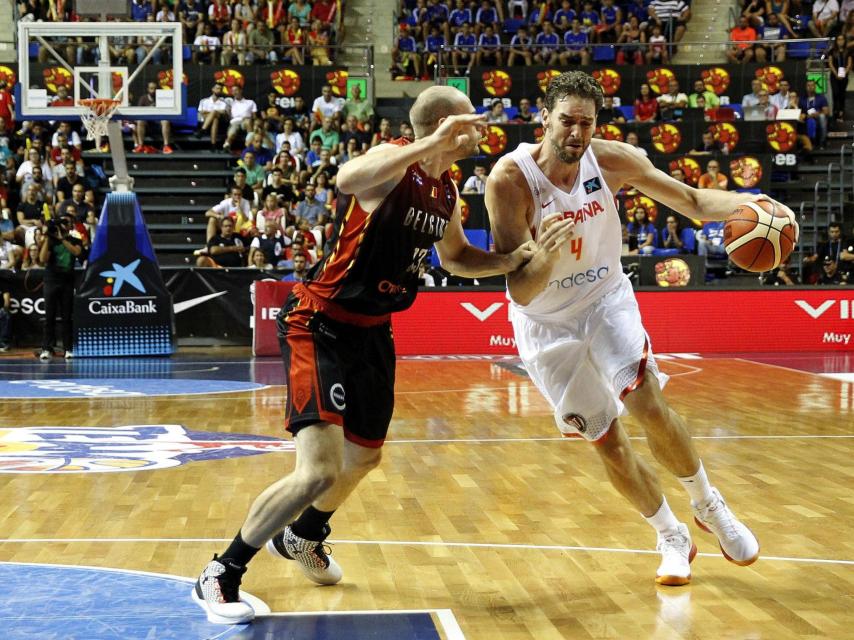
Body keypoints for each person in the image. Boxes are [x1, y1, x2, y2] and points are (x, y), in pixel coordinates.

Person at [192, 85, 534, 625]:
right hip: (320, 323)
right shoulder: (393, 164)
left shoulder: (446, 190)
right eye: (472, 121)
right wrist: (429, 144)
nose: (482, 129)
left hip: (374, 331)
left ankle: (303, 536)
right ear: (447, 124)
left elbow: (459, 257)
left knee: (365, 457)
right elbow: (345, 179)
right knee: (317, 472)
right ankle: (222, 571)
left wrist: (513, 259)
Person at [485, 71, 794, 589]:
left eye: (587, 122)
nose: (577, 133)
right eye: (567, 121)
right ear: (544, 119)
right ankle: (670, 534)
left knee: (646, 399)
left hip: (606, 299)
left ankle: (708, 503)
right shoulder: (509, 181)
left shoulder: (612, 160)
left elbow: (693, 203)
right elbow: (519, 290)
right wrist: (544, 255)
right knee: (606, 440)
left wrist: (756, 206)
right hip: (544, 321)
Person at [38, 214, 82, 360]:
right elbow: (42, 259)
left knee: (66, 317)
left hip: (67, 281)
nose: (63, 224)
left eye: (66, 222)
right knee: (49, 316)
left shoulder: (75, 239)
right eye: (62, 222)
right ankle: (46, 348)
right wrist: (46, 237)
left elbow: (77, 252)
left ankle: (68, 348)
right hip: (51, 280)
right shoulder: (51, 240)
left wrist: (62, 239)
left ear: (71, 225)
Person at [133, 81, 174, 154]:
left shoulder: (162, 98)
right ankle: (141, 145)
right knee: (140, 121)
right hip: (147, 123)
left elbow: (167, 112)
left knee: (165, 120)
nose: (153, 90)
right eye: (151, 88)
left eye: (155, 88)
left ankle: (166, 146)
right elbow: (138, 113)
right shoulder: (143, 98)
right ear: (148, 89)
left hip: (159, 123)